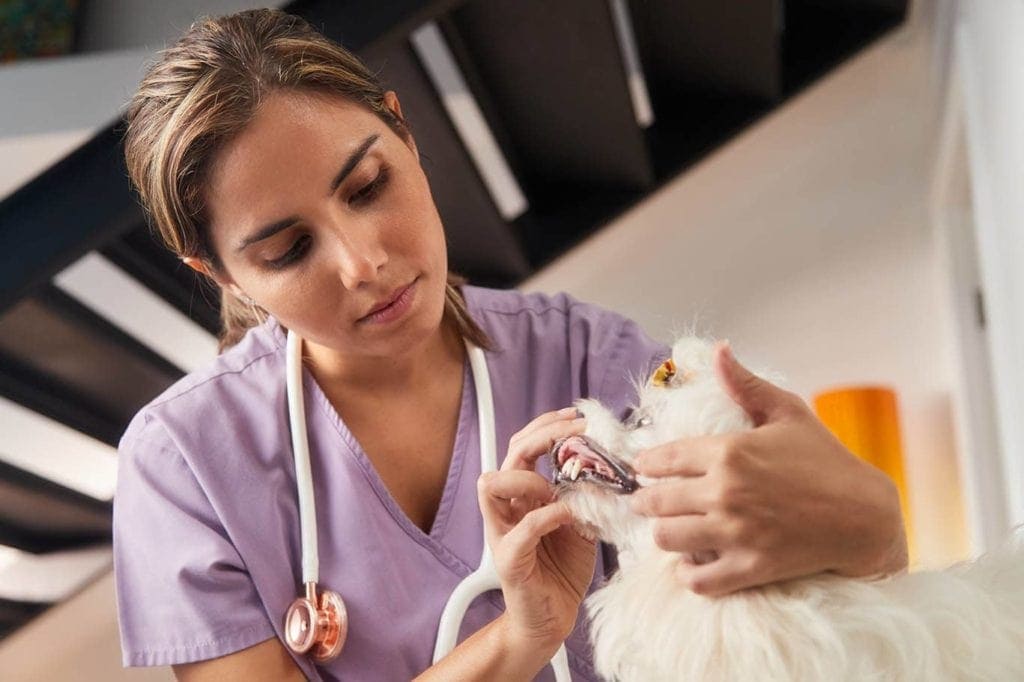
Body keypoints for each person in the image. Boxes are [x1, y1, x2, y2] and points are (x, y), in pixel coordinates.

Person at [112, 9, 907, 681]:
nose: (363, 264)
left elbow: (840, 582)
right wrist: (519, 638)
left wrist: (864, 517)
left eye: (367, 187)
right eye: (287, 251)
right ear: (218, 272)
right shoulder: (185, 465)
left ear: (405, 133)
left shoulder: (590, 359)